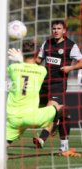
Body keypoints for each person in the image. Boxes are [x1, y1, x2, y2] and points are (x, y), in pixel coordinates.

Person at [0, 40, 67, 157]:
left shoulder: (13, 68)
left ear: (22, 52)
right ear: (37, 53)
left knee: (4, 144)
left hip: (13, 117)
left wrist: (20, 60)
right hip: (32, 116)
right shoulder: (42, 70)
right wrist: (22, 59)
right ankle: (55, 132)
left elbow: (22, 69)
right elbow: (33, 68)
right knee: (62, 108)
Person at [33, 20, 82, 156]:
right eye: (54, 28)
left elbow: (81, 62)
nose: (56, 31)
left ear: (64, 30)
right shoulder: (47, 43)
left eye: (59, 28)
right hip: (43, 84)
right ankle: (57, 127)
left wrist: (70, 68)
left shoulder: (71, 45)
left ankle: (42, 138)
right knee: (61, 114)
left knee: (52, 111)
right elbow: (38, 61)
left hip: (58, 84)